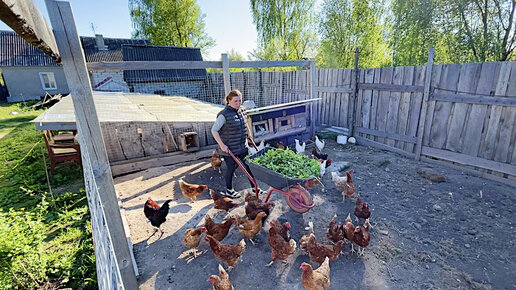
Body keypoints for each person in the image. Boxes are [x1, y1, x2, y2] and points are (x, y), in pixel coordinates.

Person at [211, 89, 264, 198]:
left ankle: (254, 188)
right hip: (228, 149)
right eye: (236, 101)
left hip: (242, 146)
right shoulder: (223, 115)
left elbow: (245, 124)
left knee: (248, 166)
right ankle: (229, 190)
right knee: (231, 168)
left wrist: (249, 135)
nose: (238, 103)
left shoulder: (242, 110)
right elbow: (214, 130)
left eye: (240, 101)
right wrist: (222, 145)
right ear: (229, 101)